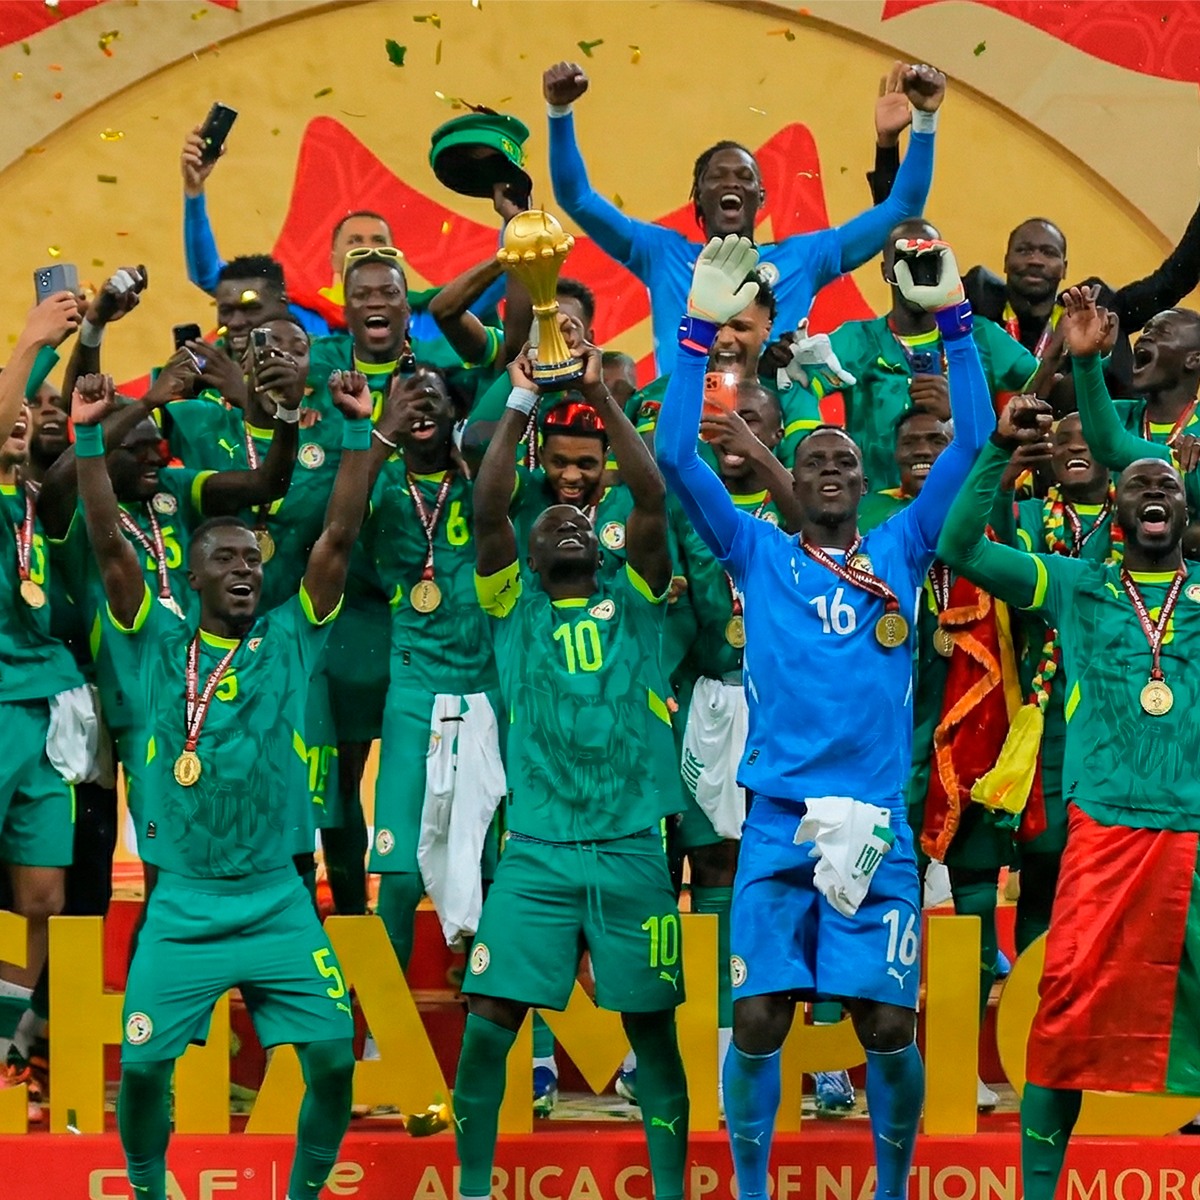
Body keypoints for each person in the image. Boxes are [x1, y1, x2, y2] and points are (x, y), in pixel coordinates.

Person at [656, 234, 992, 1200]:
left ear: (867, 475)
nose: (834, 467)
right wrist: (695, 331)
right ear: (790, 484)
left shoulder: (903, 545)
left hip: (876, 823)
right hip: (777, 821)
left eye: (847, 457)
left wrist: (955, 323)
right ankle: (751, 1188)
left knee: (886, 1024)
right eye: (816, 460)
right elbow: (676, 453)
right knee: (760, 1017)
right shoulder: (755, 551)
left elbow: (971, 444)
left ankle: (891, 1189)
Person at [72, 366, 373, 1200]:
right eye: (224, 558)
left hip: (277, 898)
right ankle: (147, 1186)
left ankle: (303, 1193)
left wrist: (356, 429)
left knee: (332, 1062)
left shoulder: (291, 635)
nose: (244, 568)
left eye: (251, 558)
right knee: (142, 1071)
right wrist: (88, 438)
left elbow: (339, 537)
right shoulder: (154, 640)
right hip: (183, 905)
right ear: (193, 576)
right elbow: (107, 542)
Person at [936, 364, 1200, 1200]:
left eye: (1168, 484)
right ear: (1115, 512)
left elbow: (1132, 448)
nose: (1153, 492)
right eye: (1138, 484)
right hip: (1105, 833)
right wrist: (998, 452)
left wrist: (1093, 375)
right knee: (1061, 1026)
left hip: (1196, 836)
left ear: (1187, 512)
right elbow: (960, 548)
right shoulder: (1077, 584)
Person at [454, 341, 688, 1200]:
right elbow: (487, 507)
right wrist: (519, 397)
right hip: (538, 853)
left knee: (653, 1037)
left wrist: (601, 396)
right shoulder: (509, 602)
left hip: (631, 849)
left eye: (580, 520)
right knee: (488, 1025)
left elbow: (652, 496)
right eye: (548, 518)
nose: (565, 520)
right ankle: (472, 1189)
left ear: (600, 540)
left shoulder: (638, 596)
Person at [543, 59, 946, 370]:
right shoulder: (661, 254)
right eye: (716, 177)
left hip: (770, 431)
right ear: (698, 197)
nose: (731, 183)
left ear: (761, 197)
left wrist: (925, 121)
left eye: (744, 177)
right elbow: (576, 197)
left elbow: (901, 209)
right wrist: (559, 113)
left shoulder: (804, 258)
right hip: (685, 429)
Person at [989, 409, 1119, 953]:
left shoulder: (1134, 515)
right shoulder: (1026, 513)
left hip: (1114, 718)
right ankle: (1033, 986)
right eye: (1063, 440)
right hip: (1044, 717)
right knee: (1043, 865)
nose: (1076, 447)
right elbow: (993, 554)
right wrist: (1001, 481)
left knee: (1105, 872)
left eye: (1089, 437)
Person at [0, 294, 84, 1117]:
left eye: (34, 408)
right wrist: (31, 338)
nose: (24, 415)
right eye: (14, 405)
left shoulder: (37, 500)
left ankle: (7, 1045)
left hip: (45, 710)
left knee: (42, 898)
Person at [803, 218, 1045, 492]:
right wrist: (811, 455)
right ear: (886, 270)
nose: (917, 269)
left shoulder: (978, 335)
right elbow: (798, 387)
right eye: (905, 260)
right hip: (874, 509)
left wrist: (958, 413)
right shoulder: (857, 340)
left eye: (928, 259)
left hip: (962, 506)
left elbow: (1045, 394)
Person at [964, 202, 1200, 395]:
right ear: (1006, 261)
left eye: (1048, 253)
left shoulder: (1097, 310)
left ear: (1064, 268)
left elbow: (1171, 281)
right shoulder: (975, 301)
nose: (1035, 260)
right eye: (1024, 250)